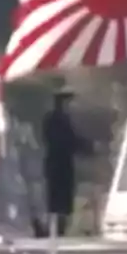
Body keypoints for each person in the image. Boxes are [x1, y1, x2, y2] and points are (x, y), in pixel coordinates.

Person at [38, 87, 92, 239]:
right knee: (58, 201)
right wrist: (87, 147)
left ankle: (57, 229)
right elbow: (66, 141)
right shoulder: (55, 120)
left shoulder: (59, 119)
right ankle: (54, 231)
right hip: (58, 165)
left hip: (61, 164)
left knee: (61, 200)